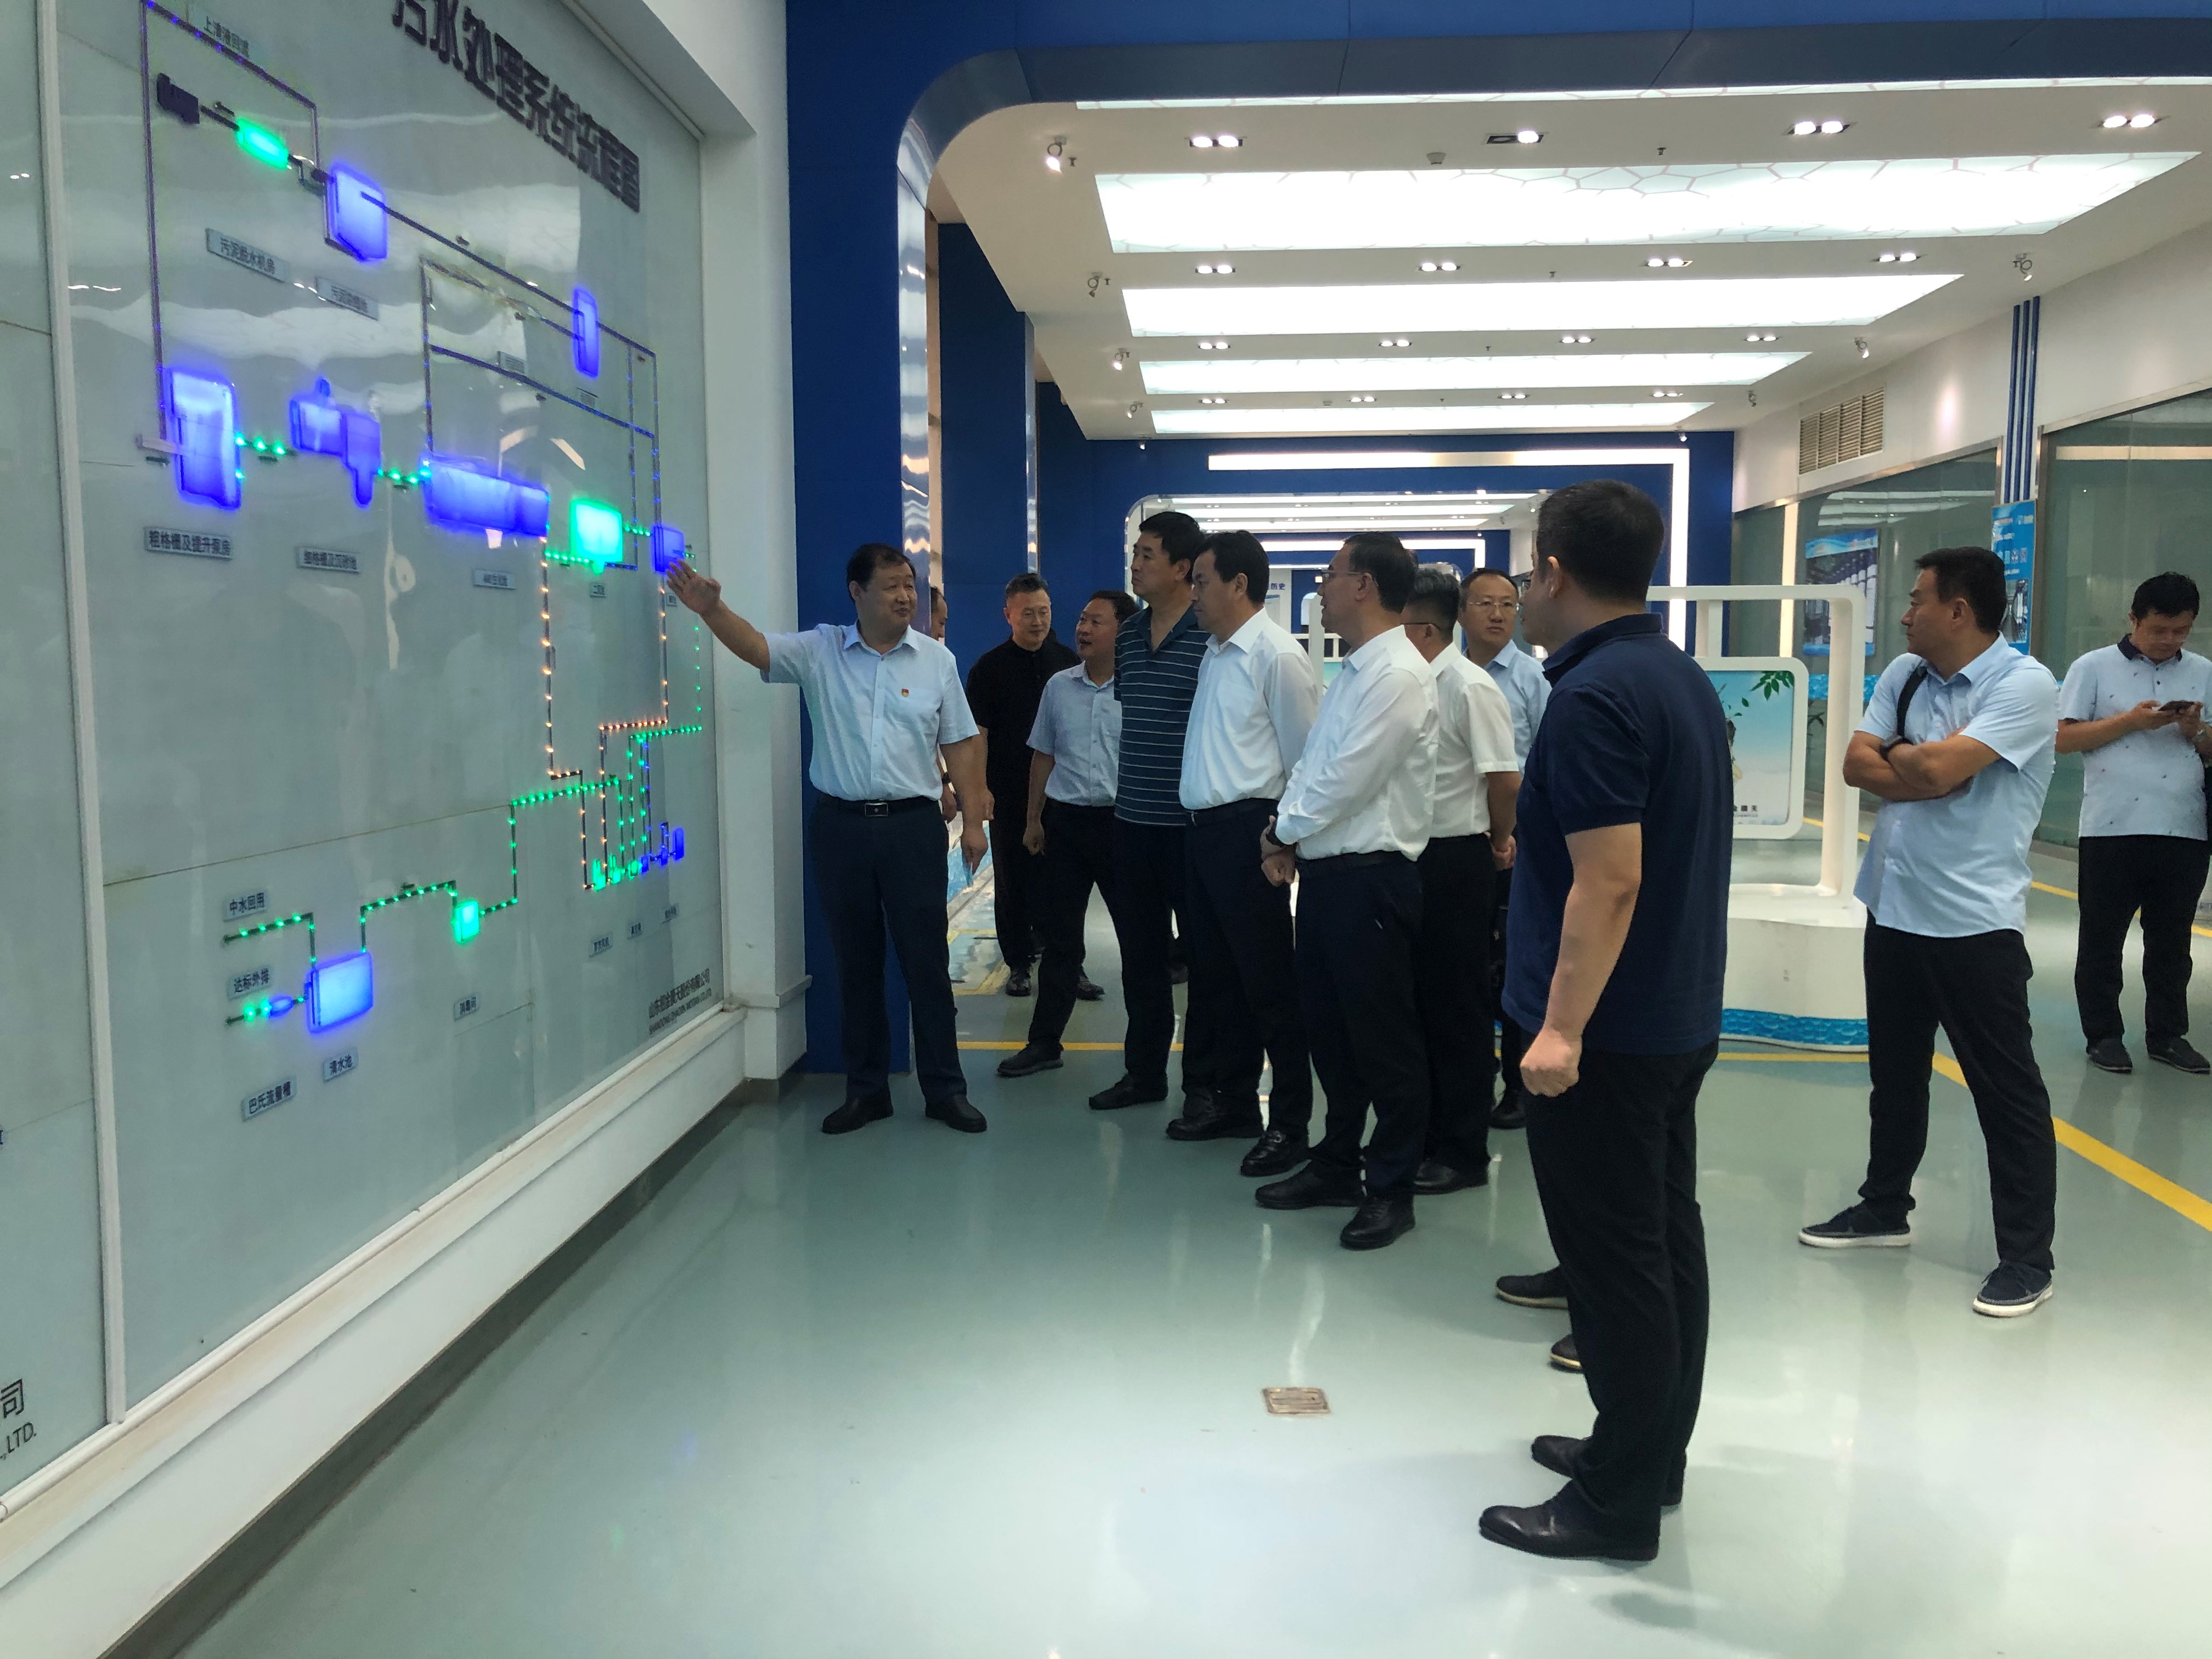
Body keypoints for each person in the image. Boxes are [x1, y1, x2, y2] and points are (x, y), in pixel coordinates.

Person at [1476, 479, 1731, 1565]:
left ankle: (1614, 1504)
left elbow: (1609, 879)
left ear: (1553, 572)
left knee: (1616, 1262)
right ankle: (1647, 1454)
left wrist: (1560, 1029)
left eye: (1526, 572)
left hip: (1607, 1037)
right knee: (1664, 1241)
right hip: (1673, 1013)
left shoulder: (1593, 695)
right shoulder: (1672, 674)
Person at [1803, 546, 2062, 1321]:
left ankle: (2027, 1257)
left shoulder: (2025, 685)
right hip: (1893, 906)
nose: (1905, 614)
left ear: (1959, 610)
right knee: (1895, 1075)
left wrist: (1914, 762)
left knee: (2006, 1094)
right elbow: (1856, 767)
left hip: (1973, 923)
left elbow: (1944, 770)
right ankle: (1885, 1207)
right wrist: (1917, 764)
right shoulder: (1904, 675)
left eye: (1917, 600)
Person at [669, 546, 989, 1135]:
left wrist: (973, 820)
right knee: (856, 964)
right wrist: (712, 611)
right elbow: (757, 648)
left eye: (910, 585)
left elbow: (962, 742)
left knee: (926, 963)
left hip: (913, 829)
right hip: (842, 829)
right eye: (892, 586)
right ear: (856, 592)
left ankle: (946, 1090)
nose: (906, 596)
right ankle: (867, 1092)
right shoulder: (821, 651)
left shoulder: (936, 661)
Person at [1251, 532, 1438, 1251]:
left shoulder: (1399, 674)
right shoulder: (1354, 669)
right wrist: (1287, 833)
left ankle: (1390, 1187)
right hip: (1331, 880)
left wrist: (1281, 832)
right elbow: (1312, 766)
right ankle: (1336, 1163)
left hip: (1373, 881)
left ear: (1364, 585)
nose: (1320, 589)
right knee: (1330, 1032)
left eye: (1330, 575)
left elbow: (1348, 779)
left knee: (1384, 1042)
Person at [1175, 531, 1322, 1172]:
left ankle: (1290, 1123)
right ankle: (1233, 1103)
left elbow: (1305, 759)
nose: (1193, 593)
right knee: (1217, 978)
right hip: (1205, 832)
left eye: (1202, 581)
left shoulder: (1277, 656)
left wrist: (1281, 840)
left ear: (1239, 585)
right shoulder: (1216, 653)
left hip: (1250, 834)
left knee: (1268, 984)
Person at [2056, 570, 2212, 1076]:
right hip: (2111, 826)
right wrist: (2131, 721)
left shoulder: (2204, 672)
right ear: (2134, 619)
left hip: (2184, 826)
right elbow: (2063, 739)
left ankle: (2168, 1035)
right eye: (2159, 629)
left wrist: (2195, 730)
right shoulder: (2093, 667)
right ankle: (2103, 1035)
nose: (2170, 640)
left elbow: (2211, 748)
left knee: (2172, 944)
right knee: (2102, 940)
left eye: (2181, 631)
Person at [1401, 564, 1521, 1194]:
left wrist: (1499, 840)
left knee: (1458, 1011)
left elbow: (1504, 780)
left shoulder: (1470, 687)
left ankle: (1463, 1150)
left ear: (1422, 627)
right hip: (1409, 857)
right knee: (1417, 1007)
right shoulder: (1409, 684)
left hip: (1456, 860)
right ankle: (1423, 1137)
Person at [1090, 511, 1212, 1115]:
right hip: (1133, 824)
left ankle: (1203, 1086)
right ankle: (1143, 1075)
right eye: (1135, 553)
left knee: (1206, 964)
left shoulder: (1210, 637)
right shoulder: (1130, 637)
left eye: (1147, 555)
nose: (1135, 564)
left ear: (1182, 568)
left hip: (1192, 828)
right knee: (1140, 962)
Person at [996, 590, 1137, 1079]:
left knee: (1139, 943)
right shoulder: (1059, 687)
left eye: (1096, 621)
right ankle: (1044, 1044)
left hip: (1124, 827)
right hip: (1067, 826)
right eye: (1081, 619)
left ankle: (1144, 1061)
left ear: (1124, 632)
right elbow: (1044, 755)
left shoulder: (1139, 687)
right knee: (1060, 943)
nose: (1083, 628)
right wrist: (1034, 819)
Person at [1463, 566, 1552, 1133]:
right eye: (1485, 604)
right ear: (1460, 611)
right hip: (1456, 841)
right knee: (1465, 964)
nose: (1498, 614)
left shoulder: (1531, 679)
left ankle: (1517, 1087)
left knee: (1511, 964)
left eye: (1507, 604)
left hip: (1515, 845)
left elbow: (1545, 764)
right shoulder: (1442, 674)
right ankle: (1473, 1076)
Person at [966, 573, 1079, 998]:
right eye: (1028, 613)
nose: (1038, 621)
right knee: (1013, 880)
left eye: (1044, 612)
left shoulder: (1068, 662)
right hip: (1009, 792)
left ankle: (1068, 964)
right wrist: (979, 789)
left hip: (1061, 793)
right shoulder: (989, 669)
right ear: (1008, 616)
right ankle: (1018, 963)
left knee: (1063, 882)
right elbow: (978, 735)